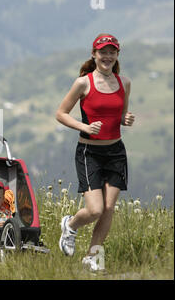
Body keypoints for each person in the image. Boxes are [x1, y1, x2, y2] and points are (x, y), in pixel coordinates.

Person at [55, 33, 135, 271]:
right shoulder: (83, 83)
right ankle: (70, 225)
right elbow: (60, 113)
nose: (107, 56)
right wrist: (84, 126)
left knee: (109, 208)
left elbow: (119, 115)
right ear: (94, 54)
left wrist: (125, 119)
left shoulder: (125, 83)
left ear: (117, 55)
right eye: (103, 52)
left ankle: (92, 256)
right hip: (89, 152)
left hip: (116, 152)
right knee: (95, 209)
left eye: (112, 52)